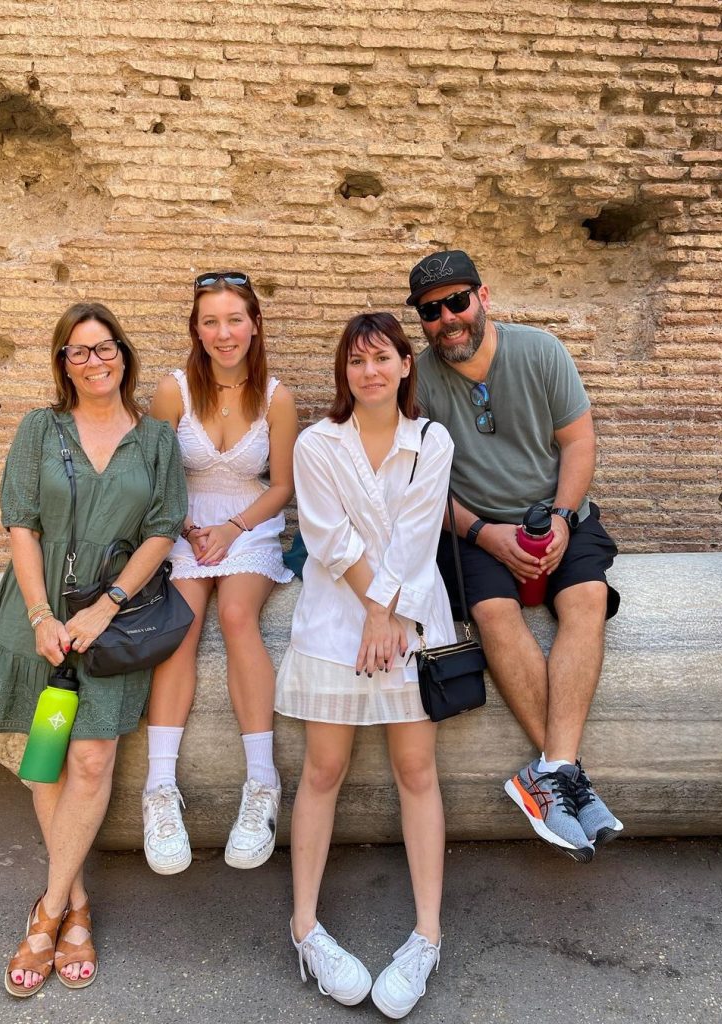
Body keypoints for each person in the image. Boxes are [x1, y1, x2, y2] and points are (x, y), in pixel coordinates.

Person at [0, 303, 187, 996]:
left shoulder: (155, 440)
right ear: (62, 364)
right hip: (37, 618)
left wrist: (106, 606)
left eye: (105, 349)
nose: (95, 362)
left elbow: (162, 530)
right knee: (44, 762)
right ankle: (77, 903)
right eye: (78, 352)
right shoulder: (41, 428)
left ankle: (47, 913)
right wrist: (40, 614)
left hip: (111, 621)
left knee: (92, 758)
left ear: (123, 355)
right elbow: (21, 523)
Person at [407, 249, 622, 863]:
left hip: (556, 513)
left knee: (585, 598)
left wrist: (559, 517)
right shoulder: (416, 381)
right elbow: (422, 489)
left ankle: (550, 772)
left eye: (456, 301)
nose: (447, 318)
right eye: (430, 310)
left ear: (483, 297)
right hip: (473, 529)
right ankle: (564, 774)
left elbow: (579, 442)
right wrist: (483, 534)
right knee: (495, 613)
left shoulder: (540, 351)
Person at [276, 312, 455, 1018]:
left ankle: (426, 936)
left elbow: (418, 533)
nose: (369, 371)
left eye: (381, 358)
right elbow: (325, 535)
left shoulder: (429, 440)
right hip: (335, 624)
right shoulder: (318, 442)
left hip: (409, 620)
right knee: (322, 771)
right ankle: (305, 929)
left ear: (405, 365)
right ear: (343, 373)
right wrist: (373, 613)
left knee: (417, 771)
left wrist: (388, 617)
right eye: (355, 362)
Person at [142, 271, 297, 874]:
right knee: (179, 625)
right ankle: (159, 789)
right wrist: (183, 528)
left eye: (235, 319)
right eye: (211, 321)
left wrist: (231, 530)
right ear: (196, 329)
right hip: (181, 525)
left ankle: (262, 784)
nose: (224, 332)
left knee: (236, 615)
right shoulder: (173, 390)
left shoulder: (276, 397)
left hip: (249, 524)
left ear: (254, 324)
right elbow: (157, 479)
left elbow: (281, 486)